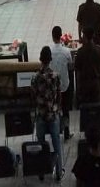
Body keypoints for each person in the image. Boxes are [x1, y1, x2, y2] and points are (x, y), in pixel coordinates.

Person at [32, 46, 64, 181]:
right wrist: (57, 109)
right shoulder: (55, 76)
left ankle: (41, 171)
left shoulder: (35, 77)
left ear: (40, 59)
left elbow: (33, 96)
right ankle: (58, 172)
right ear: (50, 60)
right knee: (56, 144)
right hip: (53, 114)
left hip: (41, 115)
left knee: (40, 145)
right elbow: (59, 96)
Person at [50, 26, 73, 140]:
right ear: (61, 36)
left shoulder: (49, 51)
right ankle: (67, 132)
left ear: (52, 36)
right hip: (65, 85)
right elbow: (70, 65)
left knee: (56, 109)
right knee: (66, 109)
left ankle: (57, 131)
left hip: (53, 87)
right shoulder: (66, 51)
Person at [75, 27, 100, 105]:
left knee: (86, 108)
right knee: (97, 106)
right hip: (96, 83)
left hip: (84, 84)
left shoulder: (80, 52)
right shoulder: (99, 50)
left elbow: (78, 72)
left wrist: (78, 86)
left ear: (85, 37)